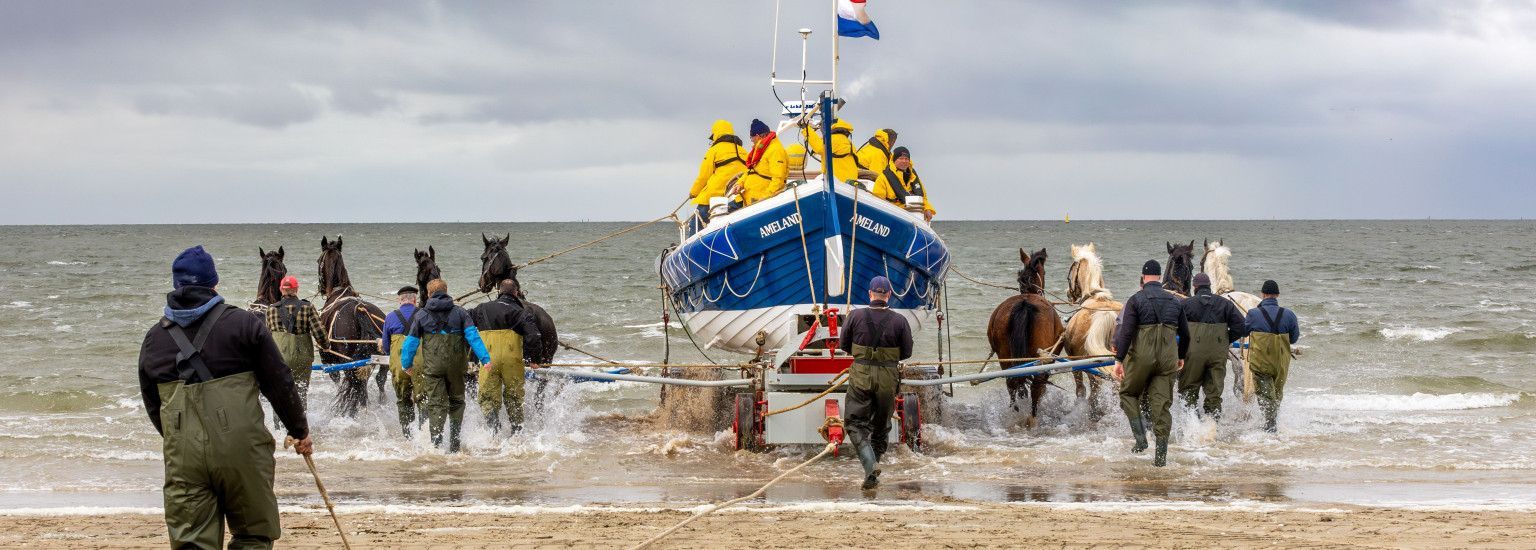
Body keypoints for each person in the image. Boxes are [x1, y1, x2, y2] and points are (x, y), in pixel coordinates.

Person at [137, 245, 311, 549]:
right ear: (213, 284)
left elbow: (154, 404)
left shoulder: (154, 338)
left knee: (192, 542)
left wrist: (181, 439)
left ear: (176, 286)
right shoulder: (244, 324)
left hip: (183, 454)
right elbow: (279, 383)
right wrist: (299, 430)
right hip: (241, 450)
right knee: (253, 536)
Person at [838, 275, 913, 490]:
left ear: (870, 294)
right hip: (888, 378)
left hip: (861, 375)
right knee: (881, 428)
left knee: (854, 423)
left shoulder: (854, 316)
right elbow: (907, 352)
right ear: (888, 295)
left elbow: (844, 345)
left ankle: (870, 467)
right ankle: (873, 469)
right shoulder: (899, 321)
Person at [1112, 260, 1189, 467]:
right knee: (1161, 406)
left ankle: (1140, 439)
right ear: (1160, 277)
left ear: (1143, 277)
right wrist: (1180, 356)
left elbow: (1126, 332)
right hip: (1167, 360)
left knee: (1128, 393)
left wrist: (1119, 360)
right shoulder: (1175, 302)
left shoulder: (1136, 300)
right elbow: (1186, 335)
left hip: (1142, 358)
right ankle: (1160, 459)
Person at [401, 279, 493, 452]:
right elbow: (473, 337)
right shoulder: (461, 313)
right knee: (457, 402)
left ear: (428, 294)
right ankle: (455, 446)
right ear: (446, 291)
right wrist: (485, 359)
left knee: (435, 404)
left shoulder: (420, 315)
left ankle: (436, 446)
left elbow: (410, 343)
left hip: (433, 369)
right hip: (456, 368)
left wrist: (406, 364)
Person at [469, 279, 545, 435]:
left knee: (488, 397)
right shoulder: (521, 312)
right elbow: (534, 335)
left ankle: (494, 433)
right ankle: (516, 434)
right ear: (516, 293)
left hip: (487, 360)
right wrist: (535, 360)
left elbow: (465, 321)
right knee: (514, 398)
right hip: (512, 360)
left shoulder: (481, 308)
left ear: (499, 292)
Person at [1178, 273, 1248, 418]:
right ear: (1210, 286)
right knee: (1214, 392)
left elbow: (1174, 327)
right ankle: (1212, 427)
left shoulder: (1186, 304)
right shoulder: (1226, 304)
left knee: (1188, 390)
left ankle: (1192, 425)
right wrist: (1225, 340)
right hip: (1218, 353)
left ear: (1195, 287)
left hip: (1193, 353)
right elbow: (1242, 327)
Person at [1243, 280, 1300, 433]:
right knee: (1277, 394)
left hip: (1262, 362)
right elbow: (1293, 339)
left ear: (1262, 295)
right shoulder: (1289, 314)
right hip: (1281, 363)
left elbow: (1243, 332)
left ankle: (1270, 430)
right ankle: (1273, 426)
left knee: (1265, 396)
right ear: (1278, 295)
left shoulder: (1253, 313)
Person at [264, 276, 327, 411]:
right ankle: (301, 425)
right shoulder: (307, 307)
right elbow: (319, 333)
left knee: (280, 393)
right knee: (300, 393)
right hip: (302, 358)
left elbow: (268, 337)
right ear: (296, 289)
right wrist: (326, 346)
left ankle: (279, 427)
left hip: (279, 358)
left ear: (281, 290)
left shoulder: (271, 309)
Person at [686, 119, 748, 228]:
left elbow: (704, 175)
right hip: (737, 195)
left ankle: (692, 243)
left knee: (697, 222)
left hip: (715, 195)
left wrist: (693, 192)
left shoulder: (714, 150)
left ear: (716, 134)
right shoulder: (743, 151)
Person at [381, 285, 423, 435]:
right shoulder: (423, 314)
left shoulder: (390, 317)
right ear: (415, 299)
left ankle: (408, 435)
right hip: (420, 367)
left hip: (399, 367)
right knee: (423, 400)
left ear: (400, 300)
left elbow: (386, 346)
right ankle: (424, 434)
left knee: (403, 400)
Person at [729, 118, 788, 208]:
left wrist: (765, 198)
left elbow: (778, 179)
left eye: (751, 137)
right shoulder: (761, 150)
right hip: (747, 197)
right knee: (722, 211)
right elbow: (750, 171)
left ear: (757, 136)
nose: (751, 140)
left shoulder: (776, 150)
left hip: (759, 201)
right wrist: (739, 184)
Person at [872, 146, 935, 221]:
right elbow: (878, 201)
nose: (904, 161)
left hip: (914, 217)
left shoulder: (914, 177)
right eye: (900, 158)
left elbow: (923, 197)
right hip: (893, 217)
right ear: (894, 160)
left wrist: (927, 209)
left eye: (906, 159)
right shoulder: (883, 178)